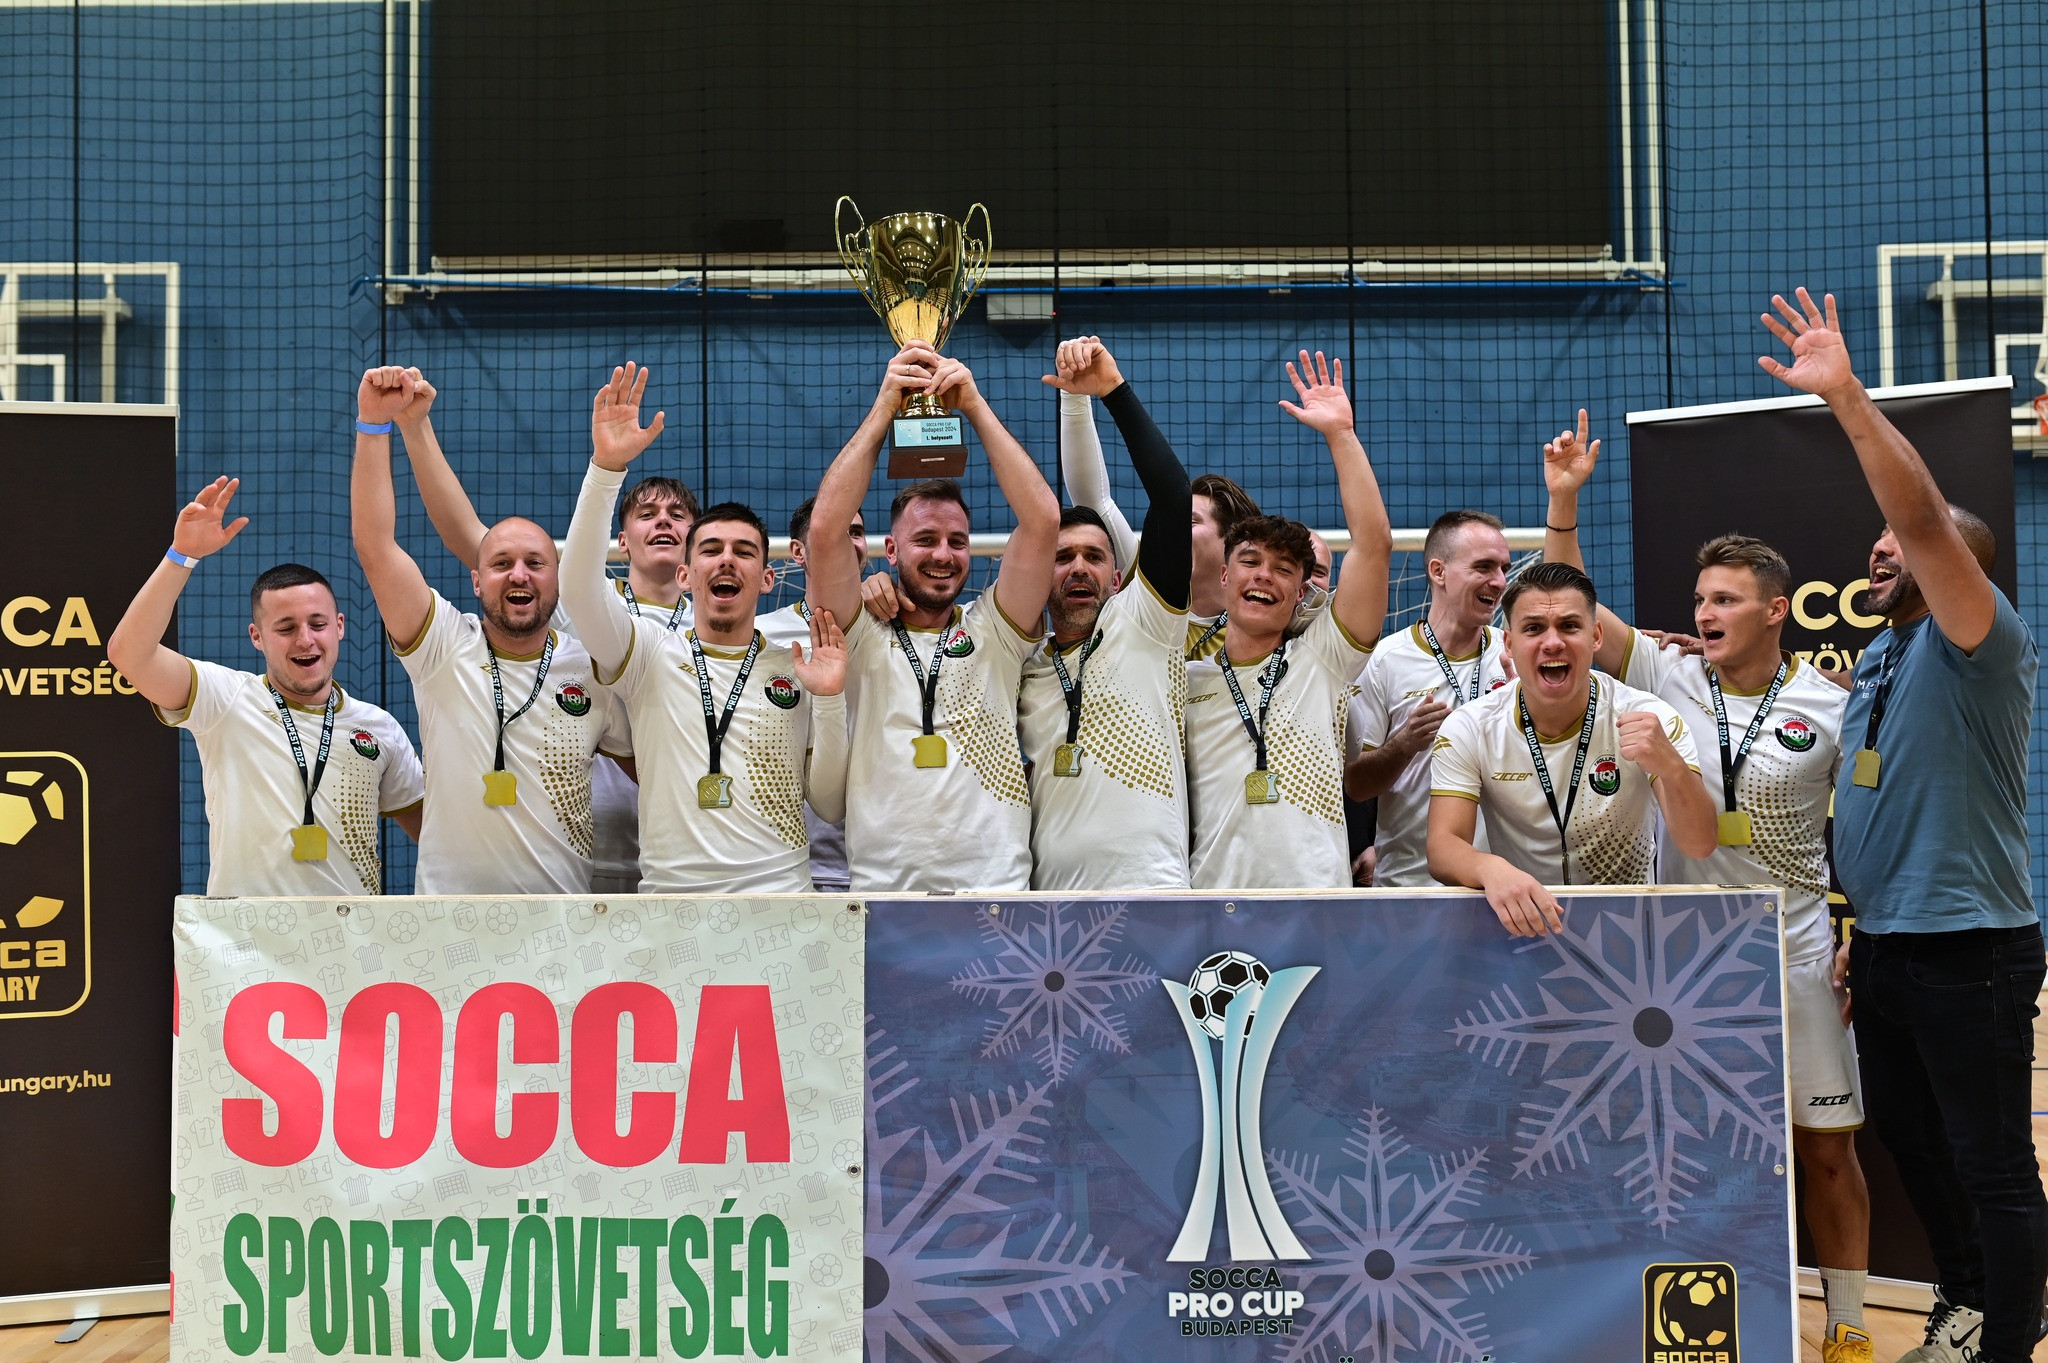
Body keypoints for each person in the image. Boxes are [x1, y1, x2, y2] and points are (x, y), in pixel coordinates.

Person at [1540, 411, 1872, 1360]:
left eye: (1727, 598)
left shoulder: (1831, 704)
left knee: (1826, 1148)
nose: (1707, 612)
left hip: (1795, 950)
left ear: (1777, 609)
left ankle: (1848, 1321)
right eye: (1700, 598)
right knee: (1690, 1146)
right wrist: (1564, 505)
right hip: (1683, 959)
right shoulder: (1664, 670)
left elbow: (1869, 833)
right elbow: (1574, 607)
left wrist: (1865, 934)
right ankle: (1714, 1322)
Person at [1761, 288, 2045, 1363]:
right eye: (1874, 547)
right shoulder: (1881, 653)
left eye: (1898, 548)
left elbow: (1925, 523)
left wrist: (1845, 396)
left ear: (1954, 568)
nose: (1879, 553)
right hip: (1883, 948)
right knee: (1919, 1152)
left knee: (1992, 1167)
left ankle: (2009, 1340)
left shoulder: (1980, 636)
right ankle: (1963, 1308)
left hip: (1969, 949)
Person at [390, 369, 683, 893]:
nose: (663, 522)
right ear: (620, 538)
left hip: (671, 856)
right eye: (647, 513)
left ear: (695, 538)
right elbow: (470, 535)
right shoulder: (576, 604)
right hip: (577, 861)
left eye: (678, 514)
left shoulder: (716, 627)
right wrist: (416, 427)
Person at [561, 363, 850, 893]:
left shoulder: (797, 667)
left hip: (782, 903)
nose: (726, 561)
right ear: (685, 575)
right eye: (711, 549)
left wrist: (829, 701)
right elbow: (577, 586)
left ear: (767, 578)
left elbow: (829, 805)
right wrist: (605, 468)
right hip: (673, 904)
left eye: (744, 552)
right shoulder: (647, 654)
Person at [806, 342, 1060, 892]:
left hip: (995, 893)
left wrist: (974, 406)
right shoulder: (859, 634)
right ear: (890, 551)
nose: (944, 555)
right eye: (925, 539)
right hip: (883, 895)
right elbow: (825, 530)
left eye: (957, 541)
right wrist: (884, 409)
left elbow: (1042, 520)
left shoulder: (995, 630)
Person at [107, 477, 423, 895]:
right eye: (286, 628)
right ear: (256, 637)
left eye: (318, 624)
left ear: (340, 627)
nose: (306, 640)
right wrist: (181, 556)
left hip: (354, 932)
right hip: (247, 933)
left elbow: (435, 836)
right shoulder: (225, 699)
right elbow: (129, 653)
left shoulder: (378, 727)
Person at [1183, 350, 1391, 889]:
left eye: (1282, 569)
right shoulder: (1182, 681)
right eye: (1250, 562)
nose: (1264, 577)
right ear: (1223, 576)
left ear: (1302, 592)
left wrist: (1341, 435)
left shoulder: (1323, 659)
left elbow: (1373, 545)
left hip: (1316, 904)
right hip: (1210, 903)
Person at [1426, 561, 1716, 934]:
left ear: (1596, 636)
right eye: (1534, 628)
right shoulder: (1471, 727)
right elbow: (1443, 846)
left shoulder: (1648, 717)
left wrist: (1671, 767)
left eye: (1569, 626)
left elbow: (1700, 844)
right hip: (1520, 925)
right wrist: (1489, 868)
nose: (1552, 642)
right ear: (1509, 644)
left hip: (1626, 930)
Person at [1019, 336, 1193, 889]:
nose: (1079, 569)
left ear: (1118, 578)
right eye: (1062, 557)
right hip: (1050, 905)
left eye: (1094, 557)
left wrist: (1111, 390)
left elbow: (1174, 497)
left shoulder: (1147, 622)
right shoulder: (1022, 664)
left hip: (1156, 893)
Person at [1344, 509, 1515, 887]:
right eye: (1484, 567)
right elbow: (1356, 785)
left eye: (1504, 568)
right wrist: (1404, 744)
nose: (1500, 581)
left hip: (1499, 885)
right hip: (1409, 886)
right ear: (1439, 572)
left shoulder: (1514, 655)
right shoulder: (1384, 661)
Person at [756, 496, 867, 893]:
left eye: (856, 533)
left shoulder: (889, 622)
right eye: (835, 533)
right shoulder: (762, 635)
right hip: (790, 865)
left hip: (880, 861)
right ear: (798, 551)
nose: (847, 543)